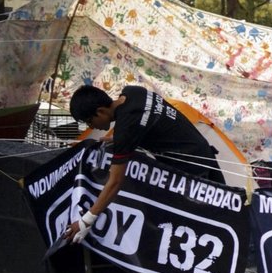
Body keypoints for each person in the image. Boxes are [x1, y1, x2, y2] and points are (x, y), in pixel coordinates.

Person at [61, 84, 224, 243]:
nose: (91, 126)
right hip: (203, 151)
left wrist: (86, 221)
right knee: (223, 211)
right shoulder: (133, 92)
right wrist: (120, 139)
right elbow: (149, 122)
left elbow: (115, 182)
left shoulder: (127, 127)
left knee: (195, 223)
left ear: (101, 111)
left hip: (192, 168)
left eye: (89, 122)